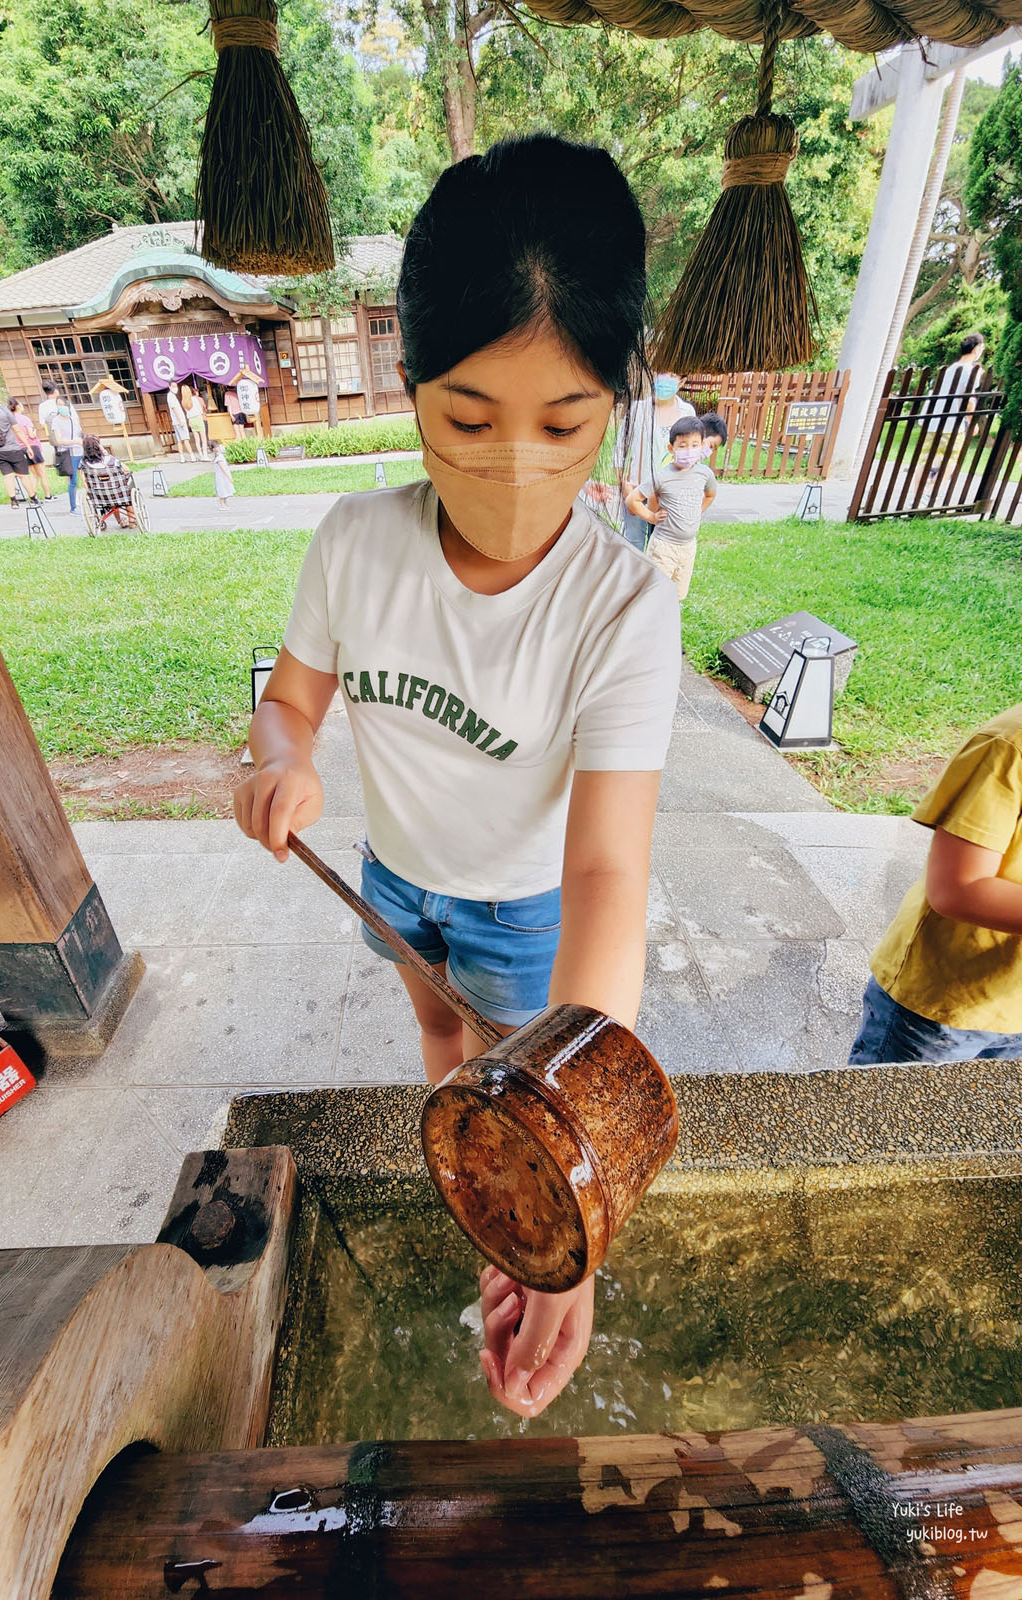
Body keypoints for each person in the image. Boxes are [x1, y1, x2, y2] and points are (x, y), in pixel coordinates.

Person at [233, 133, 681, 1421]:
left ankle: (499, 1161)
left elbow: (606, 869)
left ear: (619, 401)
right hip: (392, 877)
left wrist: (569, 1181)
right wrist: (283, 763)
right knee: (436, 1034)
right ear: (411, 384)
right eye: (467, 418)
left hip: (521, 905)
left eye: (565, 422)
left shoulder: (620, 610)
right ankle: (468, 1147)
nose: (515, 464)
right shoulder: (357, 543)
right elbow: (290, 701)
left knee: (494, 1034)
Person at [849, 705, 1022, 1065]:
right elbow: (960, 888)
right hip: (946, 1004)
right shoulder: (1009, 745)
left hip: (1011, 995)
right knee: (885, 1114)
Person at [583, 371, 695, 550]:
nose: (665, 379)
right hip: (637, 489)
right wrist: (624, 484)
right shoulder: (638, 409)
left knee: (661, 544)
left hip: (669, 494)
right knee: (632, 543)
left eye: (672, 375)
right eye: (662, 372)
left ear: (682, 382)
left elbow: (691, 452)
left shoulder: (687, 412)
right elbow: (620, 448)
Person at [626, 415, 717, 601]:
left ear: (702, 446)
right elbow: (632, 500)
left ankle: (668, 624)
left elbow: (710, 495)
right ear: (671, 448)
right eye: (683, 446)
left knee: (678, 594)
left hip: (688, 547)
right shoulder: (662, 476)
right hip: (664, 546)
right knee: (656, 593)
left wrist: (696, 511)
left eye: (694, 445)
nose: (689, 450)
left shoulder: (705, 474)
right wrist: (651, 517)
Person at [918, 331, 986, 496]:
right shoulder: (971, 370)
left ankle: (917, 494)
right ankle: (932, 491)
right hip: (951, 422)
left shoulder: (950, 369)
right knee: (951, 458)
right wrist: (972, 421)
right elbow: (968, 399)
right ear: (976, 349)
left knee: (925, 458)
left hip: (932, 419)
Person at [0, 381, 39, 505]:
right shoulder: (3, 410)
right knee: (23, 475)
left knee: (7, 475)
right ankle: (33, 498)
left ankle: (13, 500)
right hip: (12, 447)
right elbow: (17, 429)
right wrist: (28, 446)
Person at [80, 434, 138, 527]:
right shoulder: (110, 460)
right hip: (118, 492)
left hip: (100, 496)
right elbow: (126, 470)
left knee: (107, 490)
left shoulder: (85, 464)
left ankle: (120, 521)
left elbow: (84, 481)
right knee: (125, 487)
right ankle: (132, 519)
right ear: (98, 446)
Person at [8, 397, 54, 500]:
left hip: (21, 449)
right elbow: (31, 435)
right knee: (42, 474)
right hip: (32, 447)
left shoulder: (10, 420)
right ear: (18, 407)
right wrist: (35, 432)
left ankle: (33, 496)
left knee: (33, 475)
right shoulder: (24, 419)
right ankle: (48, 495)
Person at [48, 397, 84, 514]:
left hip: (80, 451)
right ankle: (73, 508)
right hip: (69, 453)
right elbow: (59, 440)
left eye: (63, 405)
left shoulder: (73, 419)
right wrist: (75, 442)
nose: (61, 407)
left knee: (85, 477)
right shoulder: (56, 421)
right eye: (59, 405)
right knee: (73, 481)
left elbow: (80, 433)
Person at [166, 387, 191, 462]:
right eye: (173, 386)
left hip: (176, 421)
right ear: (170, 387)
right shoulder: (170, 396)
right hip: (179, 421)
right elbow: (174, 409)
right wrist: (180, 420)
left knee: (180, 440)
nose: (175, 388)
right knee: (185, 439)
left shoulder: (172, 396)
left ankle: (182, 457)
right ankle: (191, 455)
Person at [185, 389, 209, 461]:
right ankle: (205, 455)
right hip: (198, 418)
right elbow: (201, 409)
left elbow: (187, 412)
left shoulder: (185, 401)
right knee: (203, 438)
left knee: (197, 439)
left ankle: (201, 455)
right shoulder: (195, 399)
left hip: (191, 420)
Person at [211, 438, 235, 505]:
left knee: (226, 488)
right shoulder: (218, 458)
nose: (220, 448)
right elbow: (223, 469)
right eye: (217, 447)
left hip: (224, 475)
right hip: (222, 476)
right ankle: (222, 504)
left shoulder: (221, 456)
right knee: (222, 489)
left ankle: (225, 502)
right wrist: (229, 478)